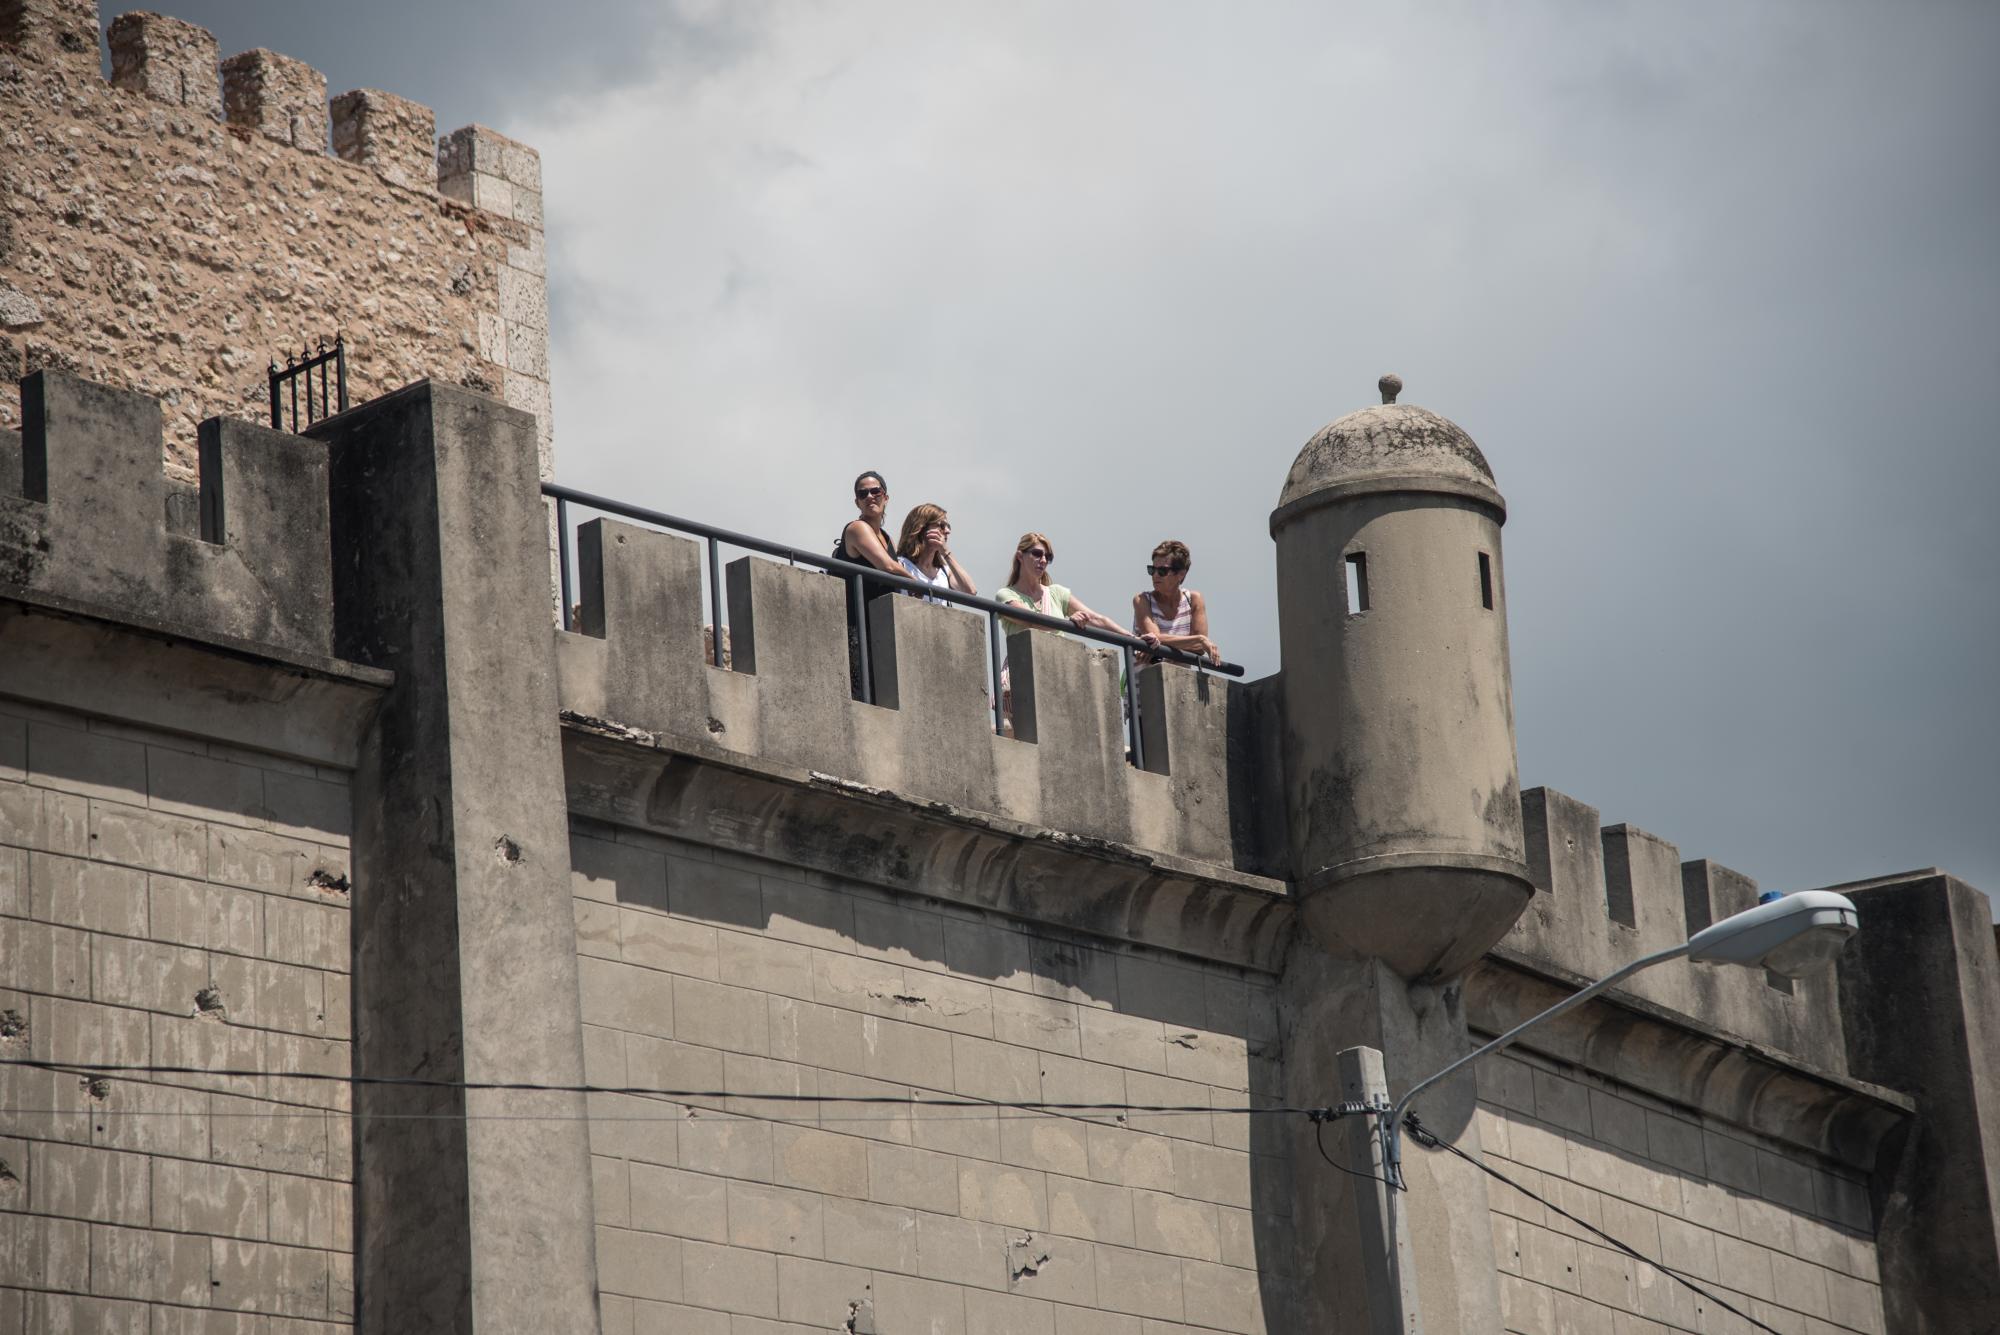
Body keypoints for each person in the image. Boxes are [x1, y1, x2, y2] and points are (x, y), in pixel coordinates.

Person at [834, 470, 903, 699]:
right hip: (857, 630)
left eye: (876, 491)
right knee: (863, 696)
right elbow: (888, 567)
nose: (870, 497)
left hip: (879, 629)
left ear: (886, 496)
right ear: (857, 502)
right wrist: (920, 585)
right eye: (863, 494)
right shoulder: (856, 528)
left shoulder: (887, 537)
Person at [995, 531, 1125, 637]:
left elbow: (1096, 619)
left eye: (1048, 556)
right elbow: (1032, 621)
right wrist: (1069, 623)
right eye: (1037, 554)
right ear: (1020, 556)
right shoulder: (1005, 595)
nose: (1043, 560)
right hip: (1022, 666)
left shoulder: (1057, 593)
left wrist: (1132, 638)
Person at [1131, 539, 1220, 665]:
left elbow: (1199, 649)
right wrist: (1197, 640)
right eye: (1152, 569)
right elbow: (1154, 638)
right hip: (1142, 681)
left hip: (1179, 681)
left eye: (1162, 571)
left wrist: (1160, 647)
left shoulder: (1194, 599)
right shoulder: (1142, 600)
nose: (1155, 575)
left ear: (1181, 574)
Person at [893, 503, 977, 604]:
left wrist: (945, 553)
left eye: (948, 526)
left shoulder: (944, 572)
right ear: (922, 528)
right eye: (941, 526)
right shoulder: (901, 565)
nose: (947, 531)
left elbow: (970, 591)